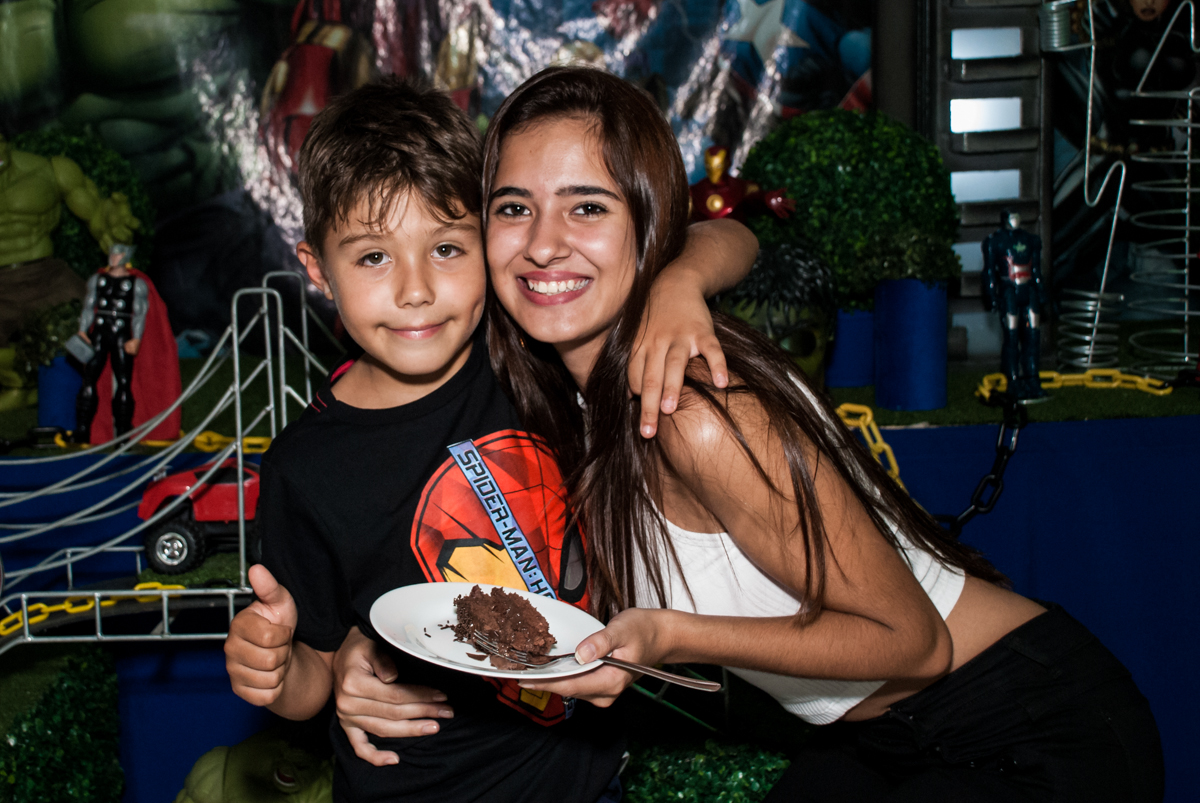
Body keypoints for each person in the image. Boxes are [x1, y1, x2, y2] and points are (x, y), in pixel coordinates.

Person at [335, 66, 1161, 802]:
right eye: (514, 208)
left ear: (646, 224)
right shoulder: (569, 391)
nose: (544, 242)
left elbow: (914, 643)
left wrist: (669, 634)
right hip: (875, 737)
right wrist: (360, 654)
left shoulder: (691, 413)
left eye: (586, 206)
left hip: (1028, 721)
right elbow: (736, 233)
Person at [221, 77, 757, 803]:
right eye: (373, 257)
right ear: (316, 268)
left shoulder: (531, 350)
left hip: (591, 774)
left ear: (488, 240)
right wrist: (281, 675)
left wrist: (679, 282)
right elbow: (316, 671)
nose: (416, 290)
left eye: (447, 247)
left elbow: (735, 234)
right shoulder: (305, 466)